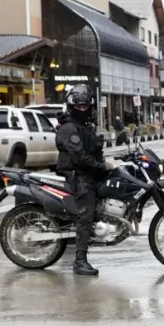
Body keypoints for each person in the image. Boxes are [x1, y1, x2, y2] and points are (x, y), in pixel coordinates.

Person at [55, 84, 111, 276]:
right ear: (71, 106)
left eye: (85, 106)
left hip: (88, 171)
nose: (82, 109)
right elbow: (79, 156)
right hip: (78, 174)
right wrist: (101, 166)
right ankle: (80, 261)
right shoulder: (69, 128)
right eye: (79, 106)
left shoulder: (84, 125)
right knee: (85, 215)